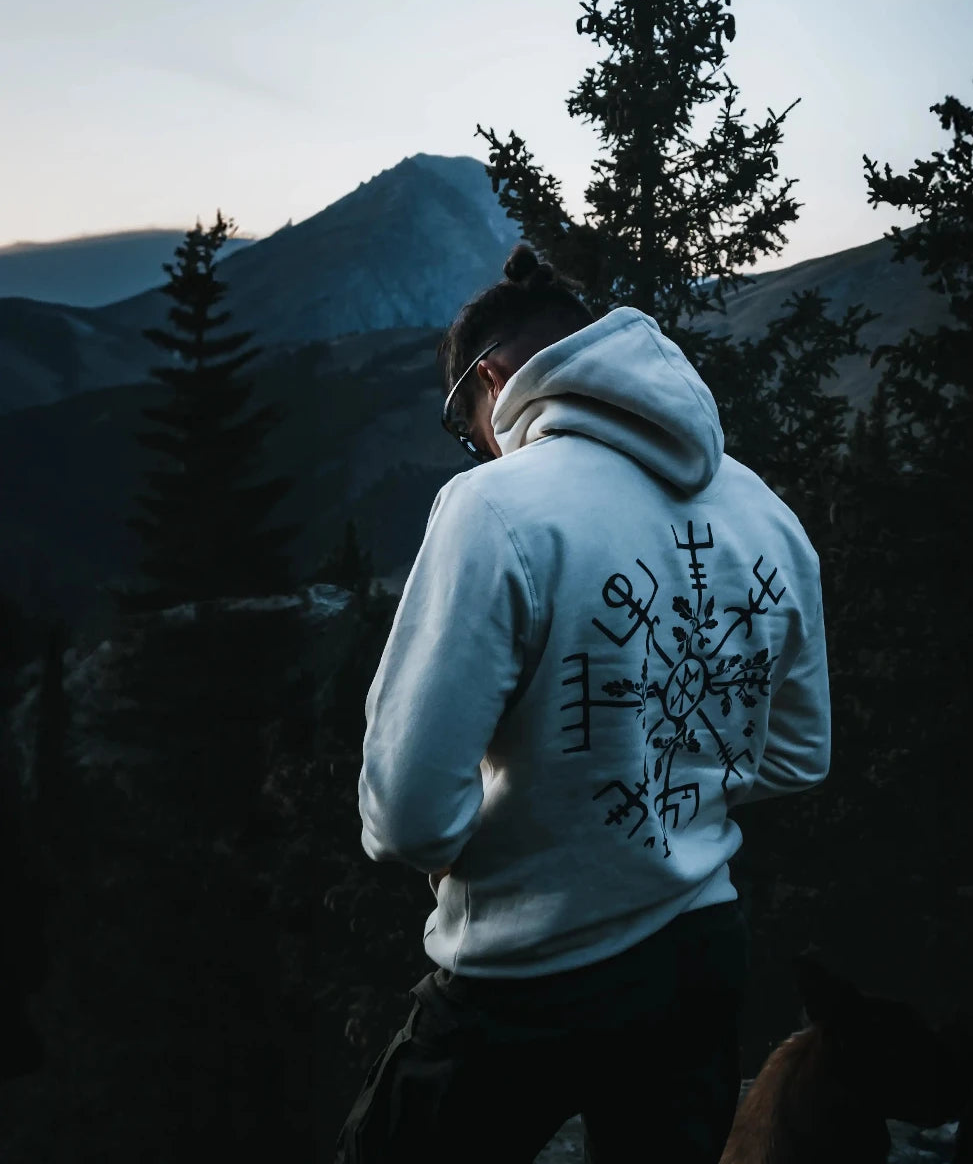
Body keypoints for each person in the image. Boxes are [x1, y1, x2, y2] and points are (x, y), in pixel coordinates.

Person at [334, 245, 832, 1164]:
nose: (477, 447)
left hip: (528, 973)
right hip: (703, 953)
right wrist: (667, 794)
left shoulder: (494, 507)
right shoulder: (765, 512)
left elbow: (406, 815)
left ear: (491, 382)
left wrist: (538, 835)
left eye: (467, 427)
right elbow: (798, 757)